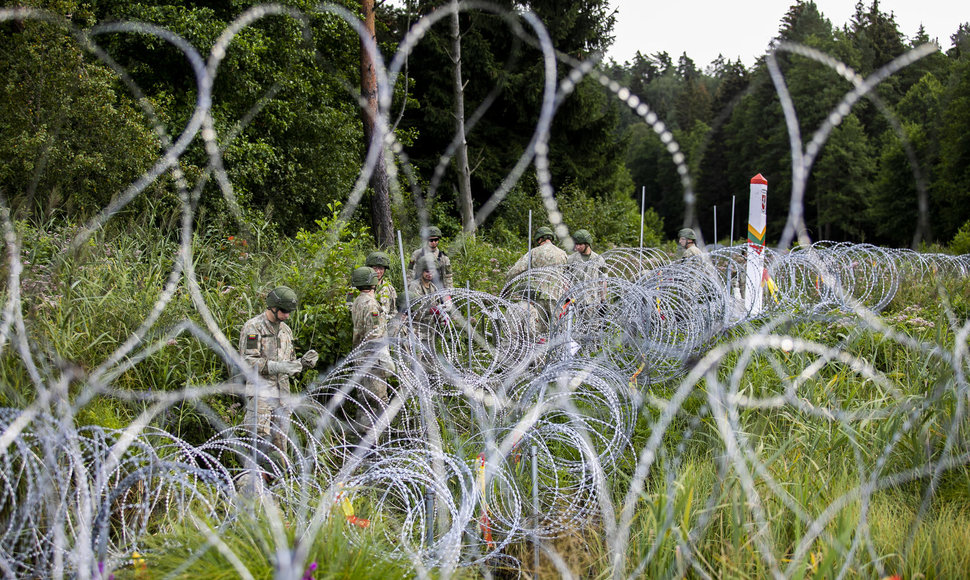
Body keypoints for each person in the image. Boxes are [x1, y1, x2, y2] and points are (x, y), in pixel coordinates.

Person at [238, 286, 318, 474]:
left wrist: (302, 363)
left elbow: (289, 363)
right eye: (283, 311)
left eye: (289, 312)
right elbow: (248, 362)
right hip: (261, 397)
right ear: (273, 307)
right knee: (259, 446)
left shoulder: (286, 331)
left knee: (279, 447)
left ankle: (278, 488)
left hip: (282, 397)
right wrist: (276, 366)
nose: (287, 316)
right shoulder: (254, 327)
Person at [506, 226, 568, 335]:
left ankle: (541, 351)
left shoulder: (534, 253)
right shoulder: (562, 253)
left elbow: (514, 271)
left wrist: (508, 290)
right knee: (559, 332)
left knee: (539, 334)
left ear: (540, 239)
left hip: (539, 297)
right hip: (557, 296)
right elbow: (568, 275)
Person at [350, 266, 392, 413]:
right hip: (373, 360)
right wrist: (385, 360)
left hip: (359, 356)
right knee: (380, 400)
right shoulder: (371, 305)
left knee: (363, 400)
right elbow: (374, 336)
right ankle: (381, 433)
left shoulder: (357, 301)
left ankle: (363, 431)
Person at [566, 229, 606, 307]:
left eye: (580, 244)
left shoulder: (599, 260)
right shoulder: (571, 259)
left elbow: (603, 281)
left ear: (587, 244)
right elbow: (566, 280)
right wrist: (567, 298)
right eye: (576, 244)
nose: (577, 247)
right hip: (575, 301)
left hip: (593, 301)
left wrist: (603, 300)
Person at [366, 250, 398, 318]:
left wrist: (386, 318)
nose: (378, 271)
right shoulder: (361, 287)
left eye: (381, 268)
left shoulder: (390, 289)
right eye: (375, 268)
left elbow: (394, 311)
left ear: (384, 270)